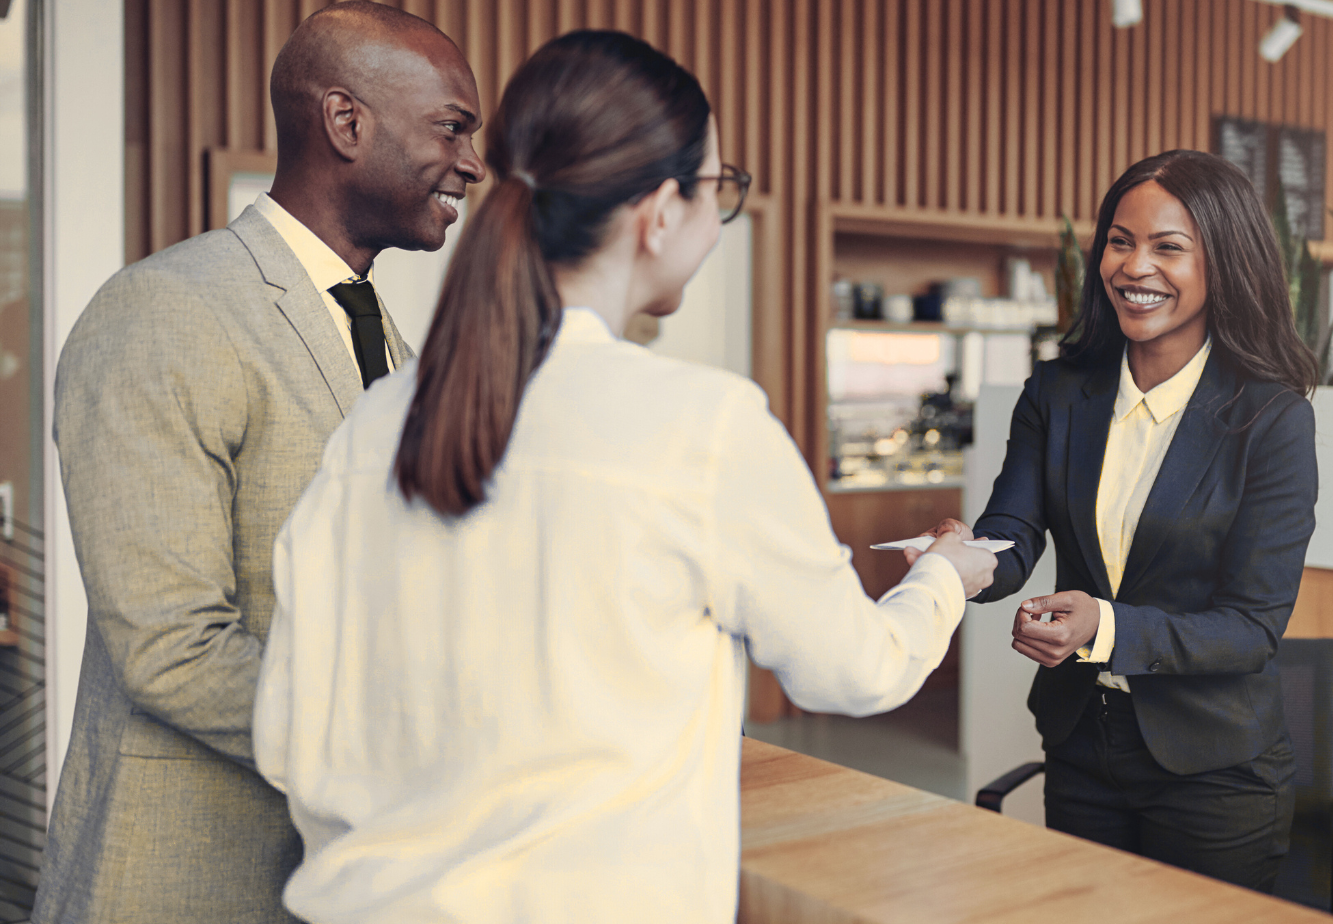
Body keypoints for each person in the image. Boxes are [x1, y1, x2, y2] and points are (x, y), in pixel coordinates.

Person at [250, 29, 996, 924]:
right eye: (717, 189)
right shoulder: (703, 426)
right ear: (658, 211)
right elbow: (855, 672)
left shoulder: (376, 422)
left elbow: (288, 734)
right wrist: (943, 580)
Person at [37, 4, 486, 921]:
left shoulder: (386, 336)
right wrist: (411, 752)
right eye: (454, 127)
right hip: (185, 879)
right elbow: (171, 648)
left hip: (335, 879)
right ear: (346, 121)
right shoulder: (164, 312)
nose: (475, 163)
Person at [922, 149, 1319, 891]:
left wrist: (1102, 628)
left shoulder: (1271, 420)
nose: (1135, 267)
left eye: (1169, 246)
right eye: (1119, 240)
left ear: (1223, 262)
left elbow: (1252, 625)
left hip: (1215, 774)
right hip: (1083, 750)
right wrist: (963, 559)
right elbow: (1013, 532)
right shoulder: (1058, 392)